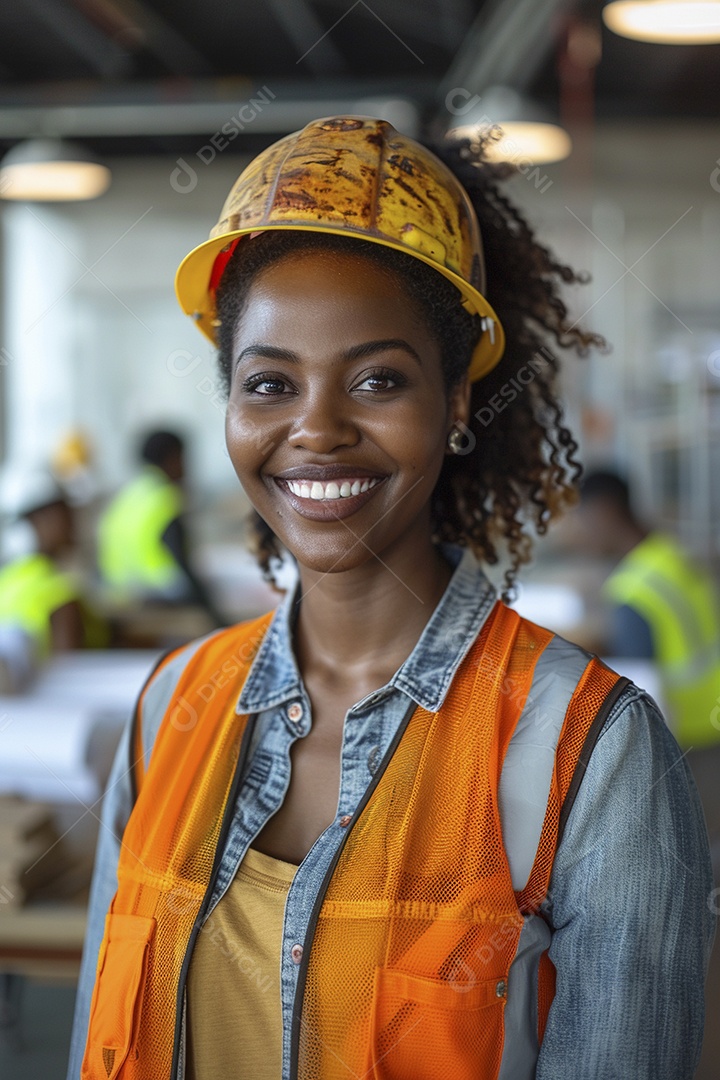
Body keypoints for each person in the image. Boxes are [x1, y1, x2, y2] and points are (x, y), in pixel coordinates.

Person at [68, 116, 714, 1080]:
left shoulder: (588, 752)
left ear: (456, 402)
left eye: (377, 379)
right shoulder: (173, 707)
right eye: (269, 383)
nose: (316, 429)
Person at [578, 469, 720, 749]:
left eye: (583, 522)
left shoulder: (632, 590)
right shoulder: (672, 551)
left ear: (604, 512)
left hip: (687, 729)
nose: (582, 535)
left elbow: (635, 686)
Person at [97, 429, 223, 624]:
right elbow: (181, 562)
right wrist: (213, 614)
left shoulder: (125, 496)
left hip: (121, 598)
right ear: (173, 458)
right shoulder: (166, 499)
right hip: (159, 598)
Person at [0, 466, 85, 656]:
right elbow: (70, 672)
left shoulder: (6, 580)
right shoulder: (57, 591)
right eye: (63, 512)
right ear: (36, 521)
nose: (73, 521)